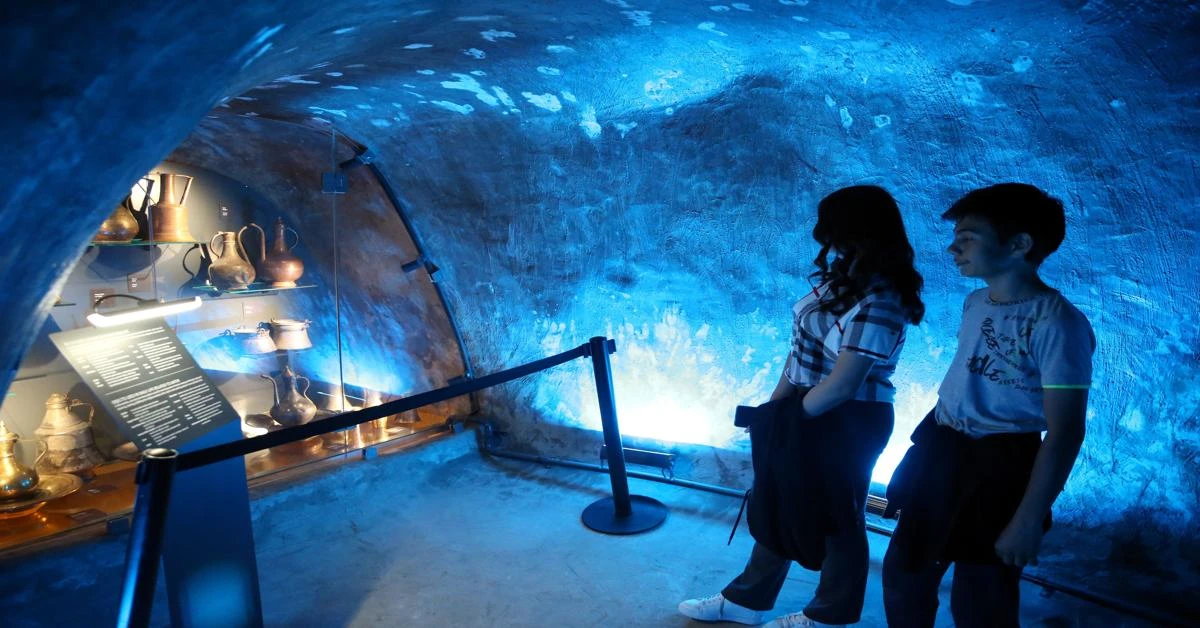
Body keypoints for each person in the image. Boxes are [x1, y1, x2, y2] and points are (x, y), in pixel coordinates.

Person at [679, 185, 926, 627]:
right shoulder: (846, 275)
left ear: (858, 230)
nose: (823, 235)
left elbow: (844, 384)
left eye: (832, 225)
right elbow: (799, 353)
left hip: (847, 420)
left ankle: (830, 615)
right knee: (781, 500)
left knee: (838, 516)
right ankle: (746, 600)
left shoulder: (882, 298)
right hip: (806, 408)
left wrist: (789, 420)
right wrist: (775, 408)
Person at [881, 183, 1094, 628]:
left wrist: (1028, 518)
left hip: (1002, 465)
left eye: (968, 237)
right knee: (905, 572)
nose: (952, 247)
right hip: (941, 450)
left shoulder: (1058, 322)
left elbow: (1066, 430)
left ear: (1019, 245)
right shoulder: (976, 301)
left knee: (983, 596)